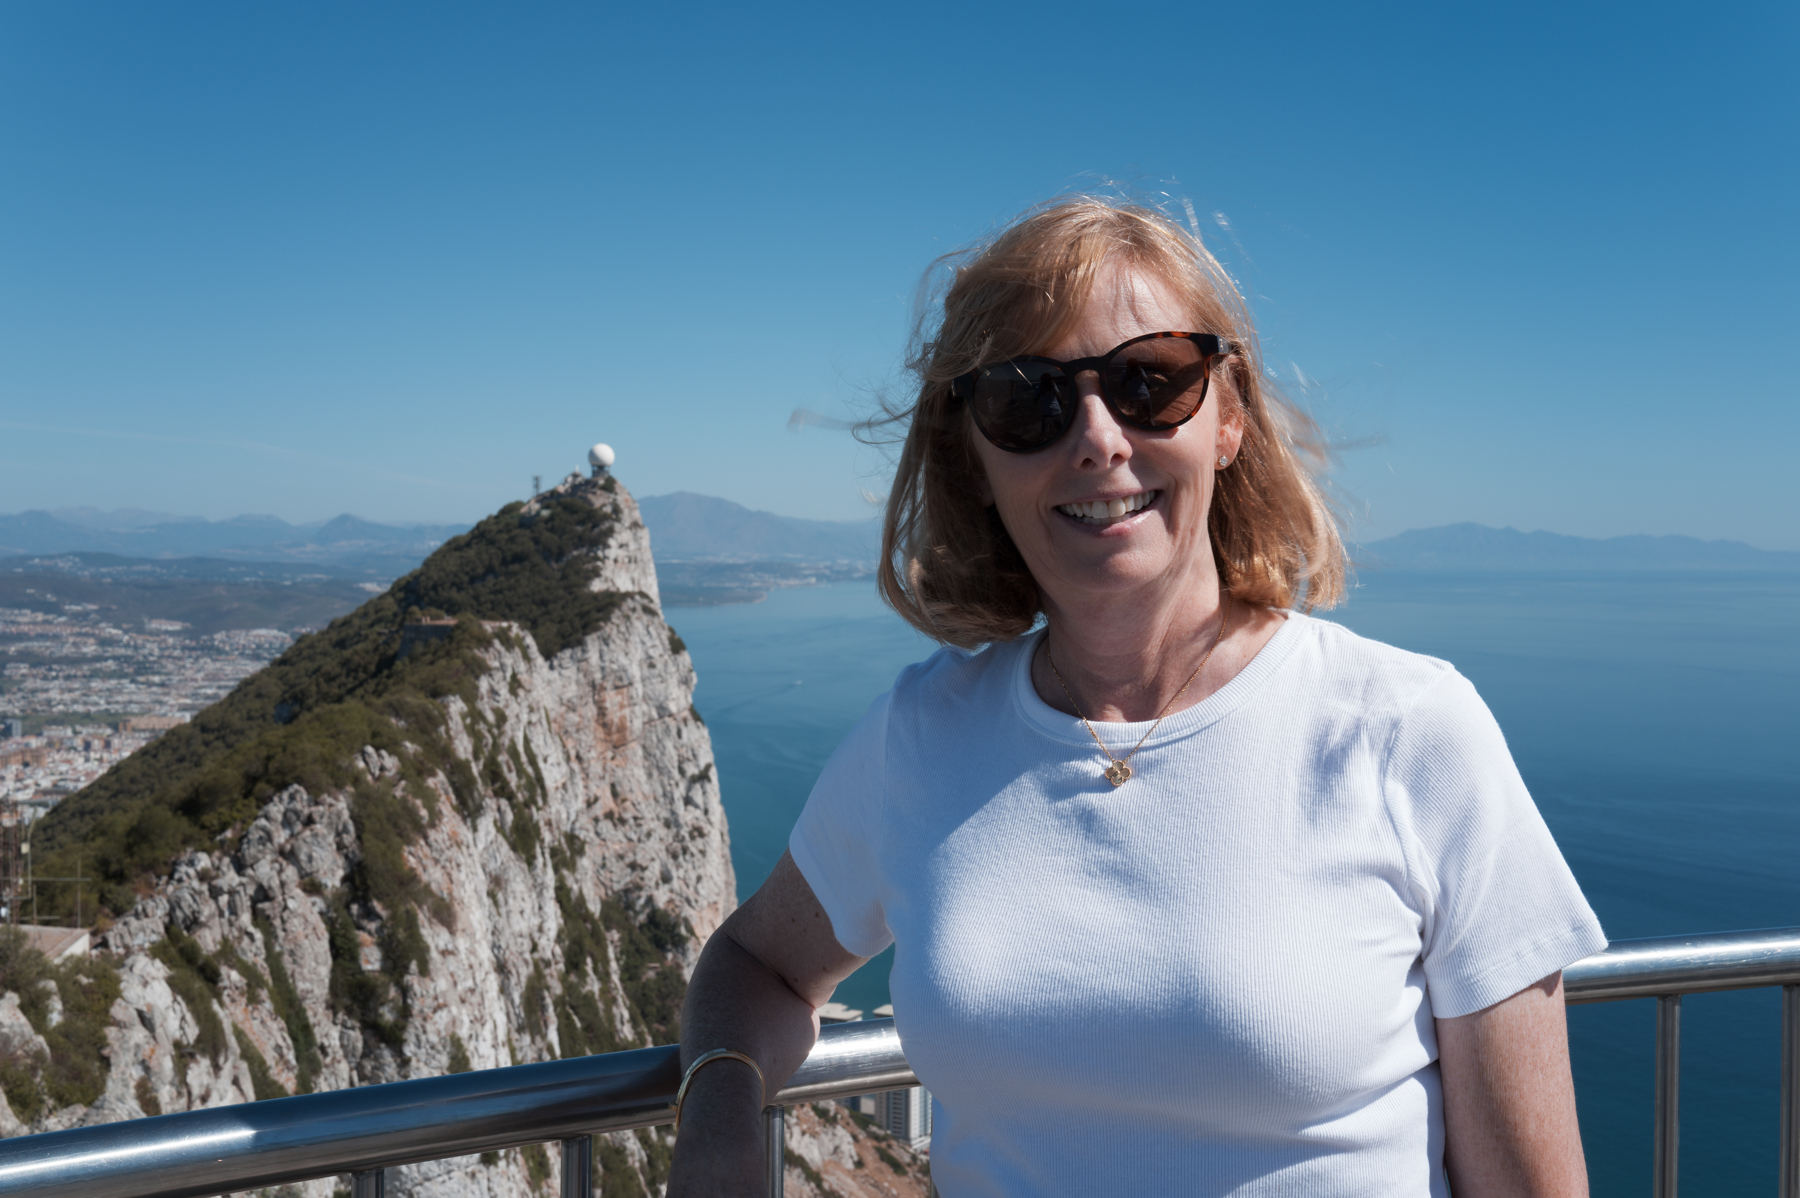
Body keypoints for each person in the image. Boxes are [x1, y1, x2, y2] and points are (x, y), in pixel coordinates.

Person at [669, 199, 1605, 1197]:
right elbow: (758, 964)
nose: (1097, 438)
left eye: (1150, 381)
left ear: (1229, 419)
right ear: (976, 460)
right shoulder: (922, 735)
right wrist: (721, 1124)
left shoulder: (1406, 732)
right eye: (1027, 400)